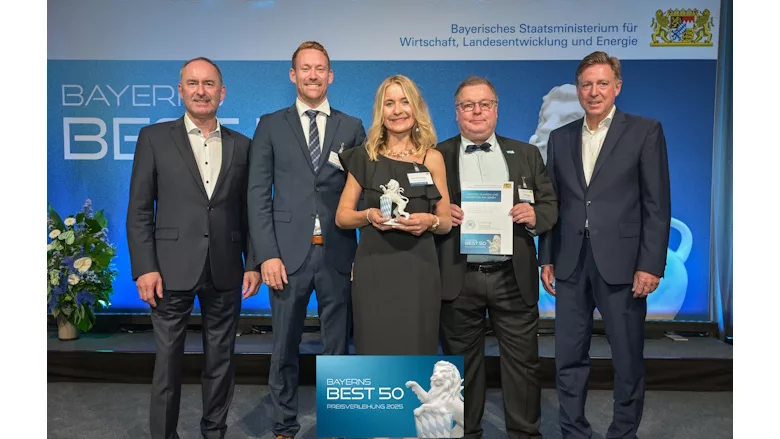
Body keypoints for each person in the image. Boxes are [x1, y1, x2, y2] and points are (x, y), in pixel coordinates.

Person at [539, 51, 672, 439]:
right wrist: (545, 256)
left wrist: (651, 264)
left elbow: (656, 204)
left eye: (601, 83)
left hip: (625, 265)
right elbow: (554, 202)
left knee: (628, 359)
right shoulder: (560, 138)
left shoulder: (645, 131)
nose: (593, 92)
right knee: (568, 358)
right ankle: (573, 431)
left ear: (617, 87)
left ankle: (623, 433)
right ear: (578, 90)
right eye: (586, 84)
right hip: (569, 264)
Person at [126, 57, 261, 439]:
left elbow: (250, 210)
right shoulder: (153, 138)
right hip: (168, 271)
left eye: (209, 84)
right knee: (167, 365)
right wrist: (144, 267)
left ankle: (213, 432)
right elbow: (138, 209)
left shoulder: (244, 145)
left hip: (226, 269)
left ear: (222, 92)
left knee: (221, 361)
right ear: (180, 90)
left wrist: (252, 262)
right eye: (193, 83)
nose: (201, 91)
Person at [246, 41, 367, 439]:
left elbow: (361, 191)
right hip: (285, 257)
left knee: (338, 350)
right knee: (283, 348)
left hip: (338, 254)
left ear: (330, 76)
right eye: (305, 68)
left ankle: (339, 424)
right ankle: (284, 425)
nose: (313, 75)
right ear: (293, 75)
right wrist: (265, 255)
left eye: (320, 68)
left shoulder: (351, 127)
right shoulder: (269, 124)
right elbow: (257, 195)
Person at [436, 76, 557, 439]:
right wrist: (442, 216)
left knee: (523, 365)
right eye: (468, 105)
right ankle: (466, 432)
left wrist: (536, 216)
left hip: (512, 274)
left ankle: (524, 433)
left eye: (484, 104)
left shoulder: (526, 154)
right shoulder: (436, 155)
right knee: (461, 368)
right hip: (459, 275)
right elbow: (423, 210)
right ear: (456, 113)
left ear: (496, 110)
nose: (476, 112)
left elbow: (550, 204)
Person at [335, 74, 451, 355]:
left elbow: (446, 221)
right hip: (374, 269)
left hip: (419, 270)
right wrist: (369, 216)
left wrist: (430, 221)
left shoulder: (432, 157)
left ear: (417, 107)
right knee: (375, 346)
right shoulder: (365, 157)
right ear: (380, 110)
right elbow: (342, 216)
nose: (397, 110)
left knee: (417, 347)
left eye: (404, 102)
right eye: (389, 103)